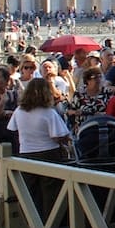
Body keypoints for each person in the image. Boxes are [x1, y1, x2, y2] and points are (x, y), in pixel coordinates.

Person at [9, 77, 72, 218]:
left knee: (31, 191)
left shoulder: (19, 111)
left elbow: (12, 128)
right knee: (50, 191)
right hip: (49, 153)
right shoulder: (48, 113)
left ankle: (31, 221)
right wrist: (66, 140)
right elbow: (57, 136)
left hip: (26, 153)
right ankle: (50, 223)